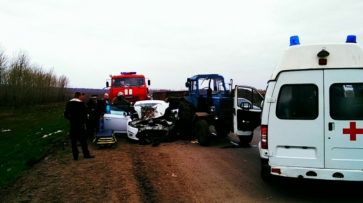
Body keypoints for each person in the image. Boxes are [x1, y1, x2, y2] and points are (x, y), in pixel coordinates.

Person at [64, 91, 95, 160]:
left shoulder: (69, 103)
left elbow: (66, 115)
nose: (82, 97)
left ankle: (75, 156)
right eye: (81, 96)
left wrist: (71, 119)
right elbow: (85, 114)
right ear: (79, 96)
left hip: (73, 125)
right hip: (80, 124)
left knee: (73, 141)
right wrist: (85, 121)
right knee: (83, 140)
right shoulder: (81, 104)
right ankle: (86, 154)